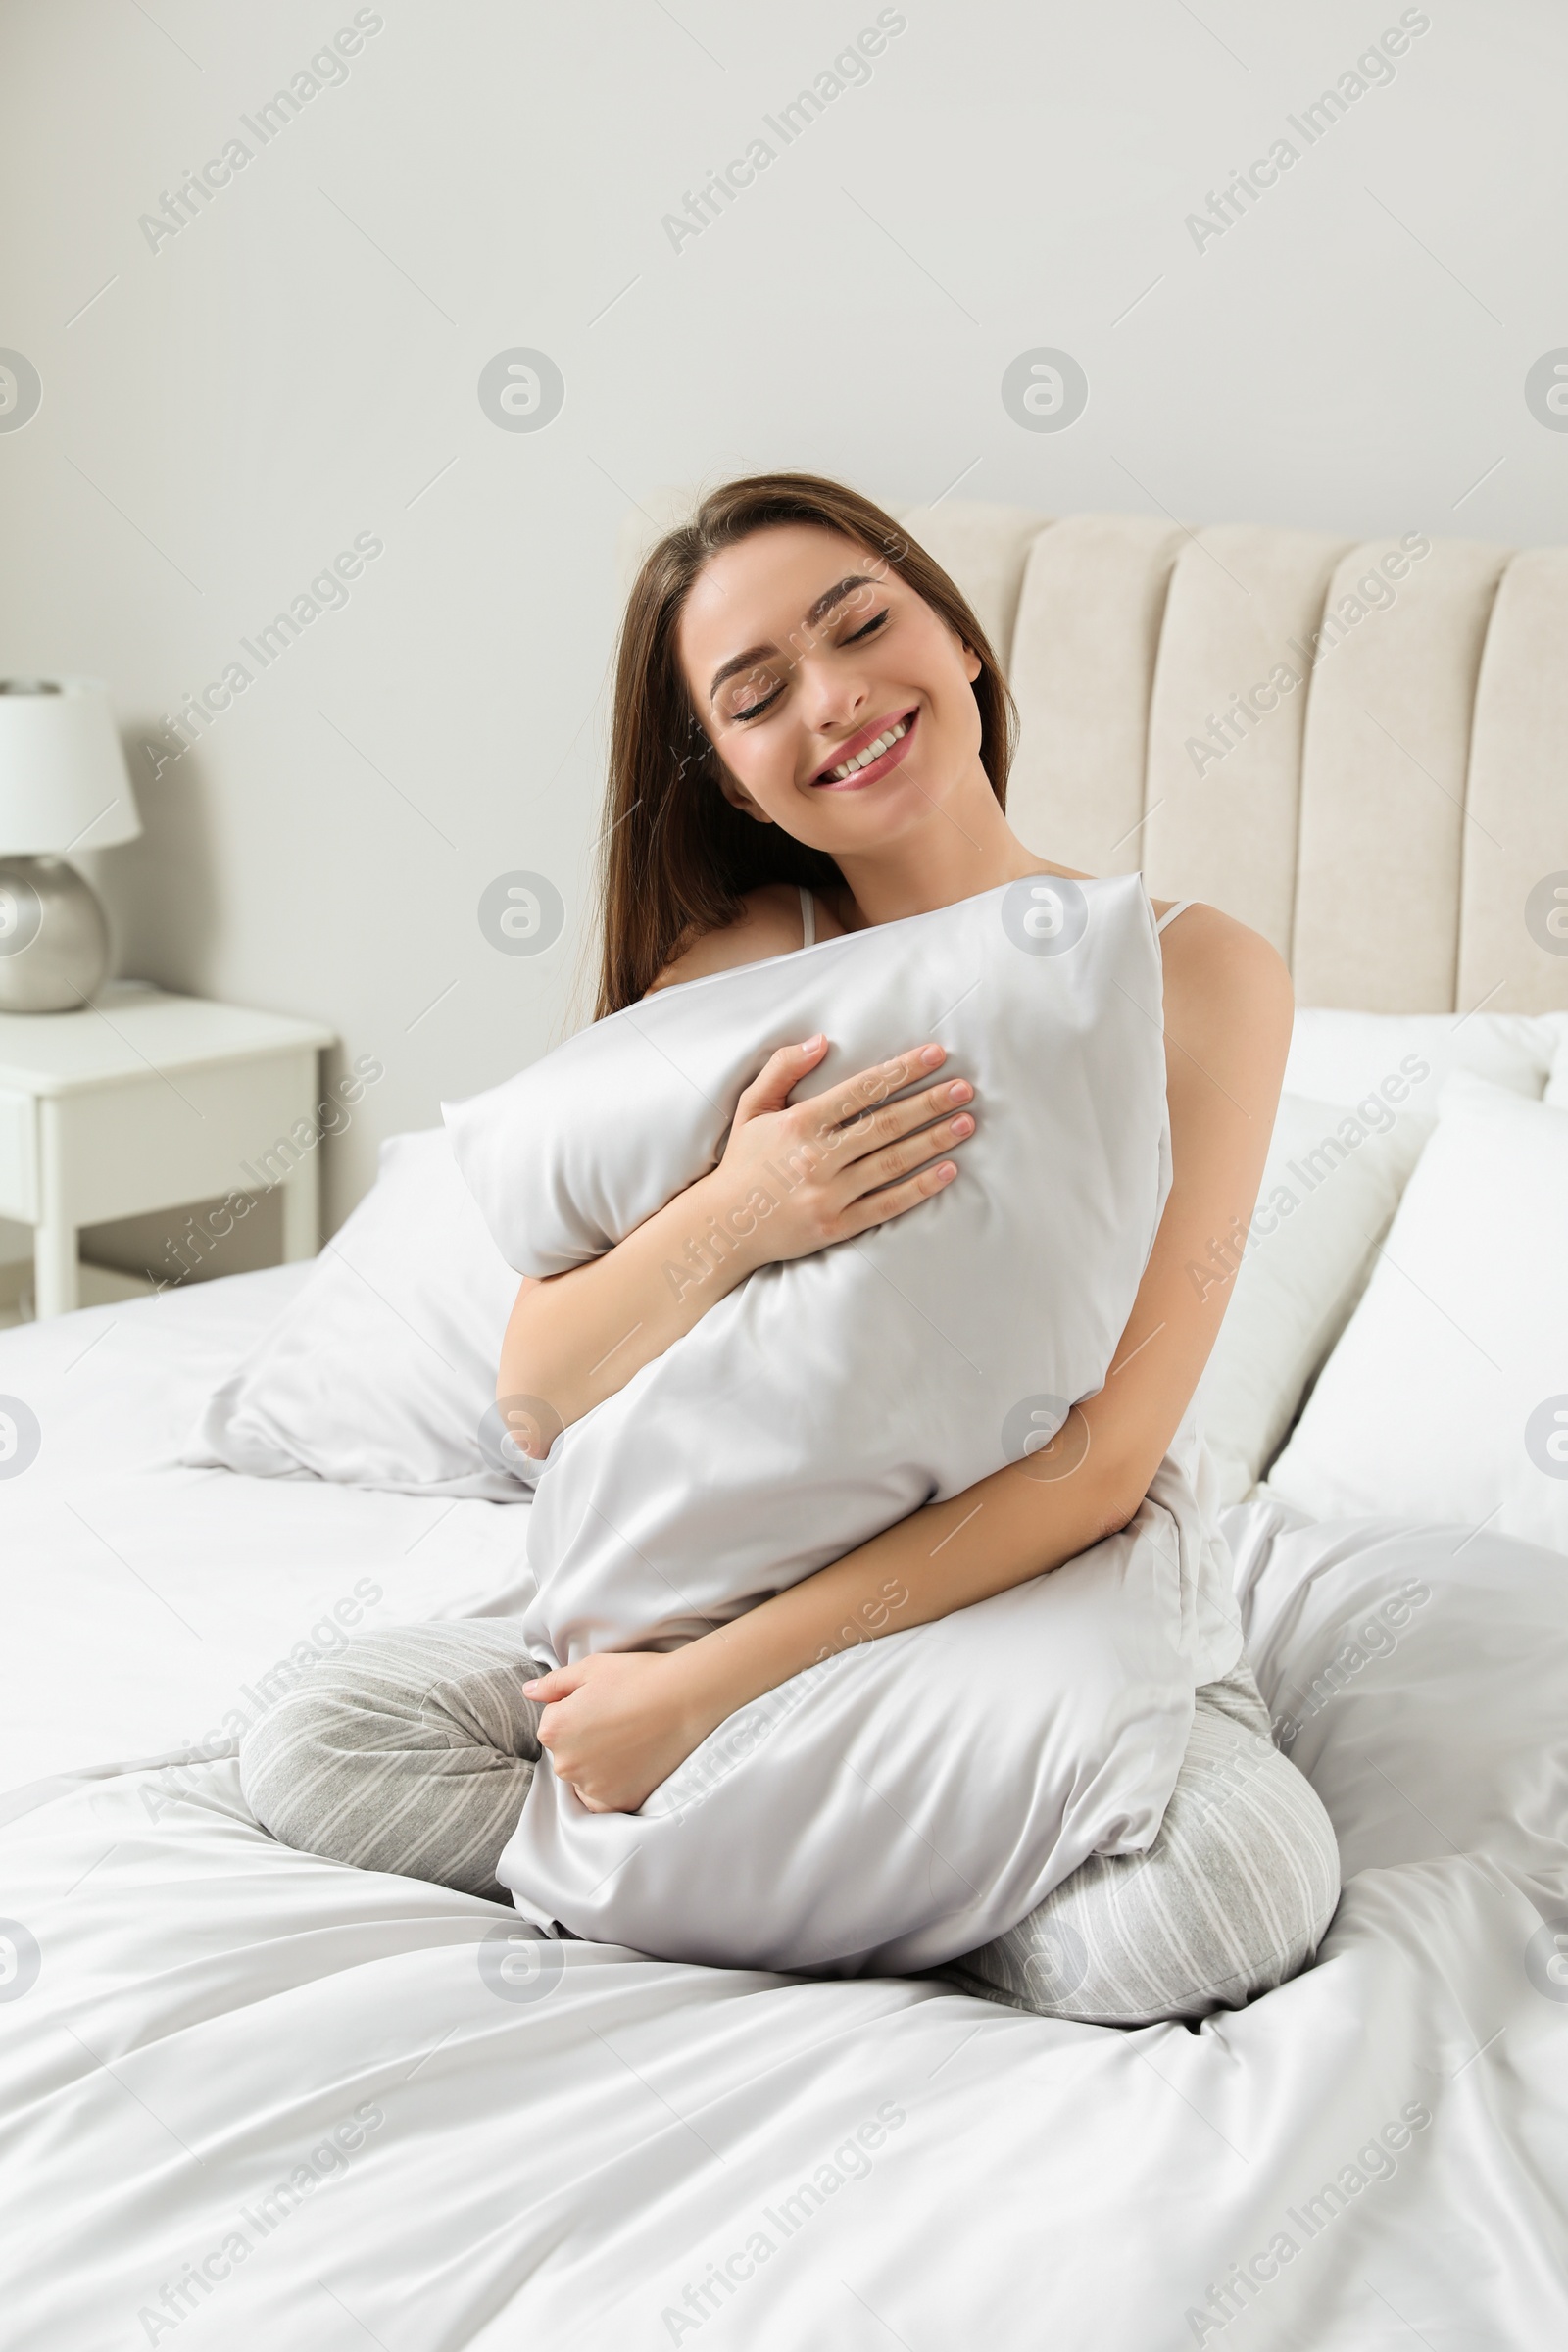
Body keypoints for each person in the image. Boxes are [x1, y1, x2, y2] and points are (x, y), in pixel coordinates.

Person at [242, 474, 1339, 2024]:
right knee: (313, 1738)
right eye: (759, 696)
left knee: (1220, 1910)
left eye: (861, 628)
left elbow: (1100, 1466)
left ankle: (765, 1853)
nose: (835, 702)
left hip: (1024, 1606)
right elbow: (540, 1396)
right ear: (740, 780)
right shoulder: (744, 959)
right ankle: (890, 1871)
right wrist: (745, 1212)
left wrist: (694, 1702)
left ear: (960, 642)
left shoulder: (1196, 973)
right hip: (717, 1589)